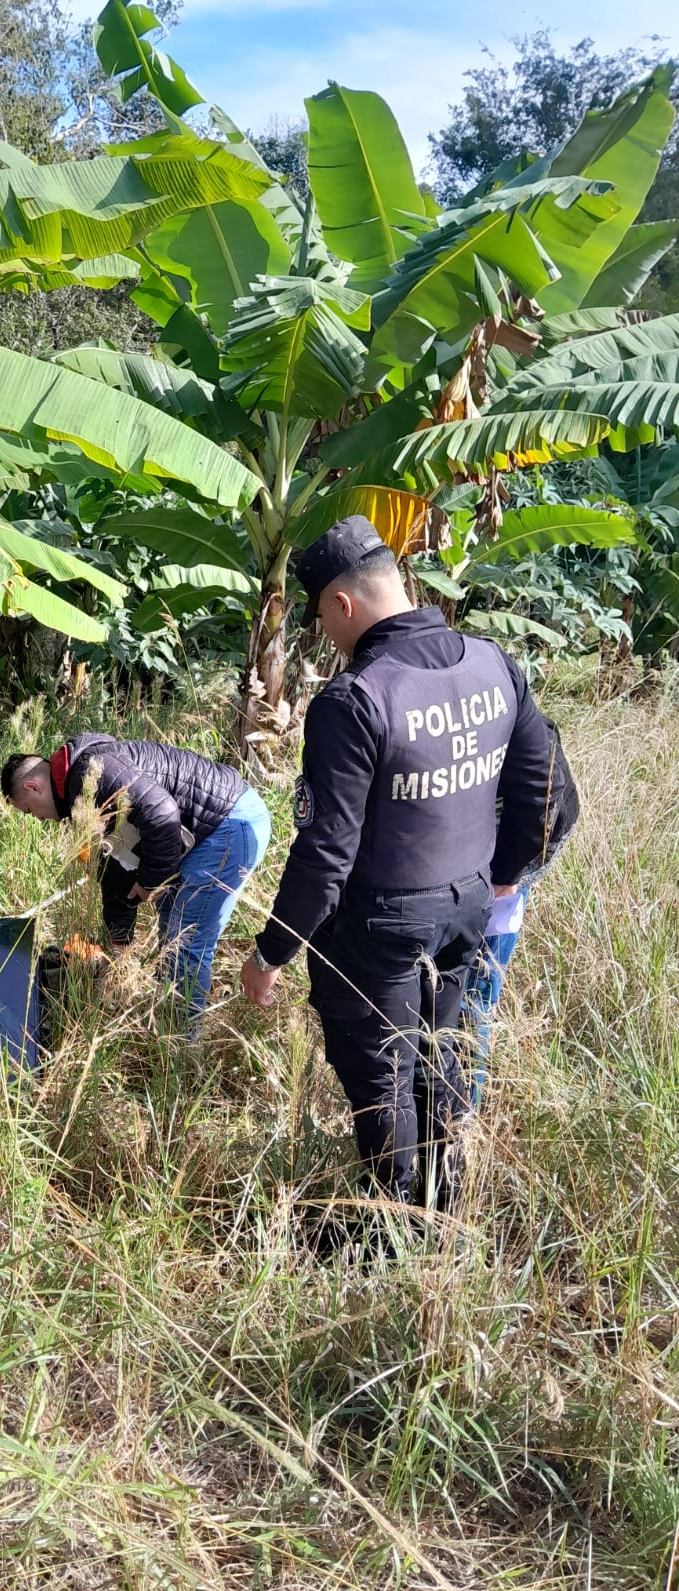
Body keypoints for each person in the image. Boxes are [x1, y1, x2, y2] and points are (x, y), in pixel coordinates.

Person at [239, 515, 577, 1215]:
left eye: (323, 619)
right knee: (439, 1054)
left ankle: (396, 1231)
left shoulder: (353, 700)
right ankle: (443, 1204)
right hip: (469, 905)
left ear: (343, 603)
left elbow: (325, 854)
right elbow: (547, 791)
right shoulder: (493, 664)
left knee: (383, 1076)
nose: (328, 636)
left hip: (381, 926)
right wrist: (502, 874)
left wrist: (271, 953)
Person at [2, 736, 270, 1022]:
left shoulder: (93, 771)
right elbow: (114, 872)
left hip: (228, 823)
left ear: (33, 787)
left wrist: (150, 883)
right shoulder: (79, 792)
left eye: (29, 810)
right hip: (208, 829)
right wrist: (117, 944)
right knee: (171, 929)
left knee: (184, 941)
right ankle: (168, 1021)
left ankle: (179, 1039)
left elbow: (163, 816)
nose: (38, 819)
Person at [462, 730, 579, 1106]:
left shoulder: (510, 710)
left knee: (473, 997)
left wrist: (508, 875)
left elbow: (552, 786)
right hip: (455, 862)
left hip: (500, 869)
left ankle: (459, 1120)